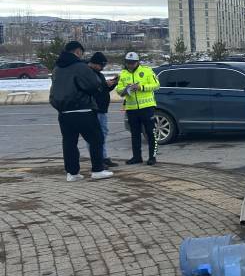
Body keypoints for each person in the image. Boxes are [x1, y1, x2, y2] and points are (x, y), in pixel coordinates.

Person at [48, 41, 113, 181]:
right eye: (81, 53)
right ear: (78, 51)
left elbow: (54, 90)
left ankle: (72, 173)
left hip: (64, 112)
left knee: (69, 142)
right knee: (96, 139)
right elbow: (93, 85)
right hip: (83, 110)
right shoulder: (80, 67)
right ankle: (97, 170)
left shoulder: (57, 69)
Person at [117, 52, 161, 165]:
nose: (130, 65)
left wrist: (141, 87)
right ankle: (137, 157)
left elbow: (156, 85)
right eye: (128, 63)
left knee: (151, 133)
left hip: (147, 107)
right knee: (135, 134)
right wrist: (124, 90)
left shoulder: (146, 70)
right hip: (131, 108)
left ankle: (152, 157)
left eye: (132, 63)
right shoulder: (123, 73)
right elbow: (119, 89)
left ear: (137, 62)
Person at [88, 52, 119, 167]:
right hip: (95, 109)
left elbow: (102, 89)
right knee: (95, 136)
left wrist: (111, 84)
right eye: (102, 65)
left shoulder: (98, 73)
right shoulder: (89, 73)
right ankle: (98, 159)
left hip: (101, 109)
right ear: (95, 63)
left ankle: (103, 157)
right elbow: (94, 90)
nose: (103, 67)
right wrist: (104, 85)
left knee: (103, 133)